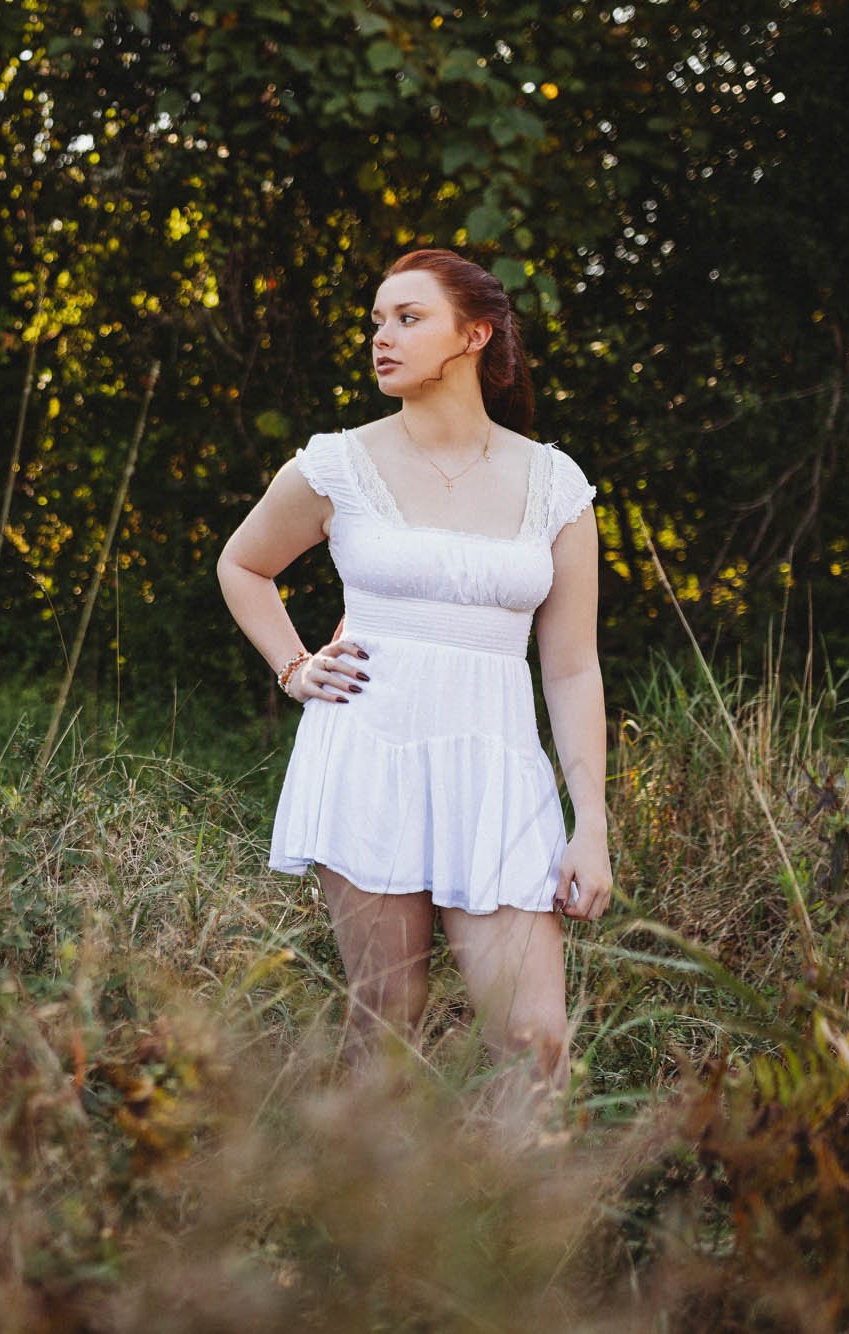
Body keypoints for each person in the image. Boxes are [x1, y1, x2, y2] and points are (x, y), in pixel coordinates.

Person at [216, 247, 613, 1126]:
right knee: (386, 1023)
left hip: (498, 776)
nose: (381, 339)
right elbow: (243, 565)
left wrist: (593, 824)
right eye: (375, 323)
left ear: (476, 334)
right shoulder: (337, 465)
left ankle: (526, 1243)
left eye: (408, 319)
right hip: (371, 758)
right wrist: (295, 666)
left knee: (534, 1039)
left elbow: (573, 667)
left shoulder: (554, 484)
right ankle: (369, 1239)